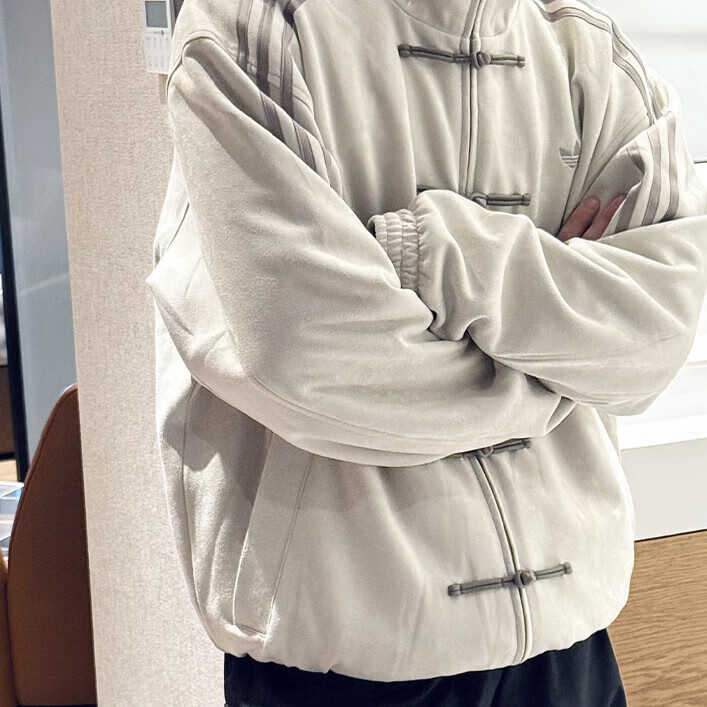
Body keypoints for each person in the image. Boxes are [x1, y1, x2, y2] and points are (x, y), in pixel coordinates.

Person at [145, 0, 707, 705]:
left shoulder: (590, 53)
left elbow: (653, 337)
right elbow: (312, 361)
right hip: (348, 663)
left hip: (571, 645)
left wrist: (437, 251)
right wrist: (557, 368)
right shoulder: (257, 31)